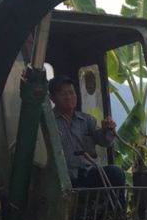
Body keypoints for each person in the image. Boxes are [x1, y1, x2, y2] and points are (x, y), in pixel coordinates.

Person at [48, 75, 126, 211]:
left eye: (71, 93)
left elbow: (103, 141)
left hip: (87, 173)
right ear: (52, 97)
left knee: (116, 172)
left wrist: (107, 129)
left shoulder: (86, 120)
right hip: (63, 176)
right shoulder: (49, 122)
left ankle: (118, 215)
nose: (68, 97)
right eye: (63, 93)